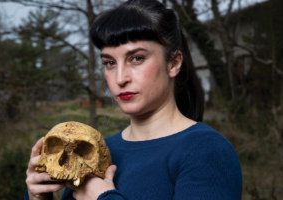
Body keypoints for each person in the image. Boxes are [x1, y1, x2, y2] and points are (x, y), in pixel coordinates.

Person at [24, 0, 243, 199]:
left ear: (174, 63)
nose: (120, 79)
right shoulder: (91, 151)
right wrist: (38, 198)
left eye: (136, 58)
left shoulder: (206, 151)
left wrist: (104, 198)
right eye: (109, 63)